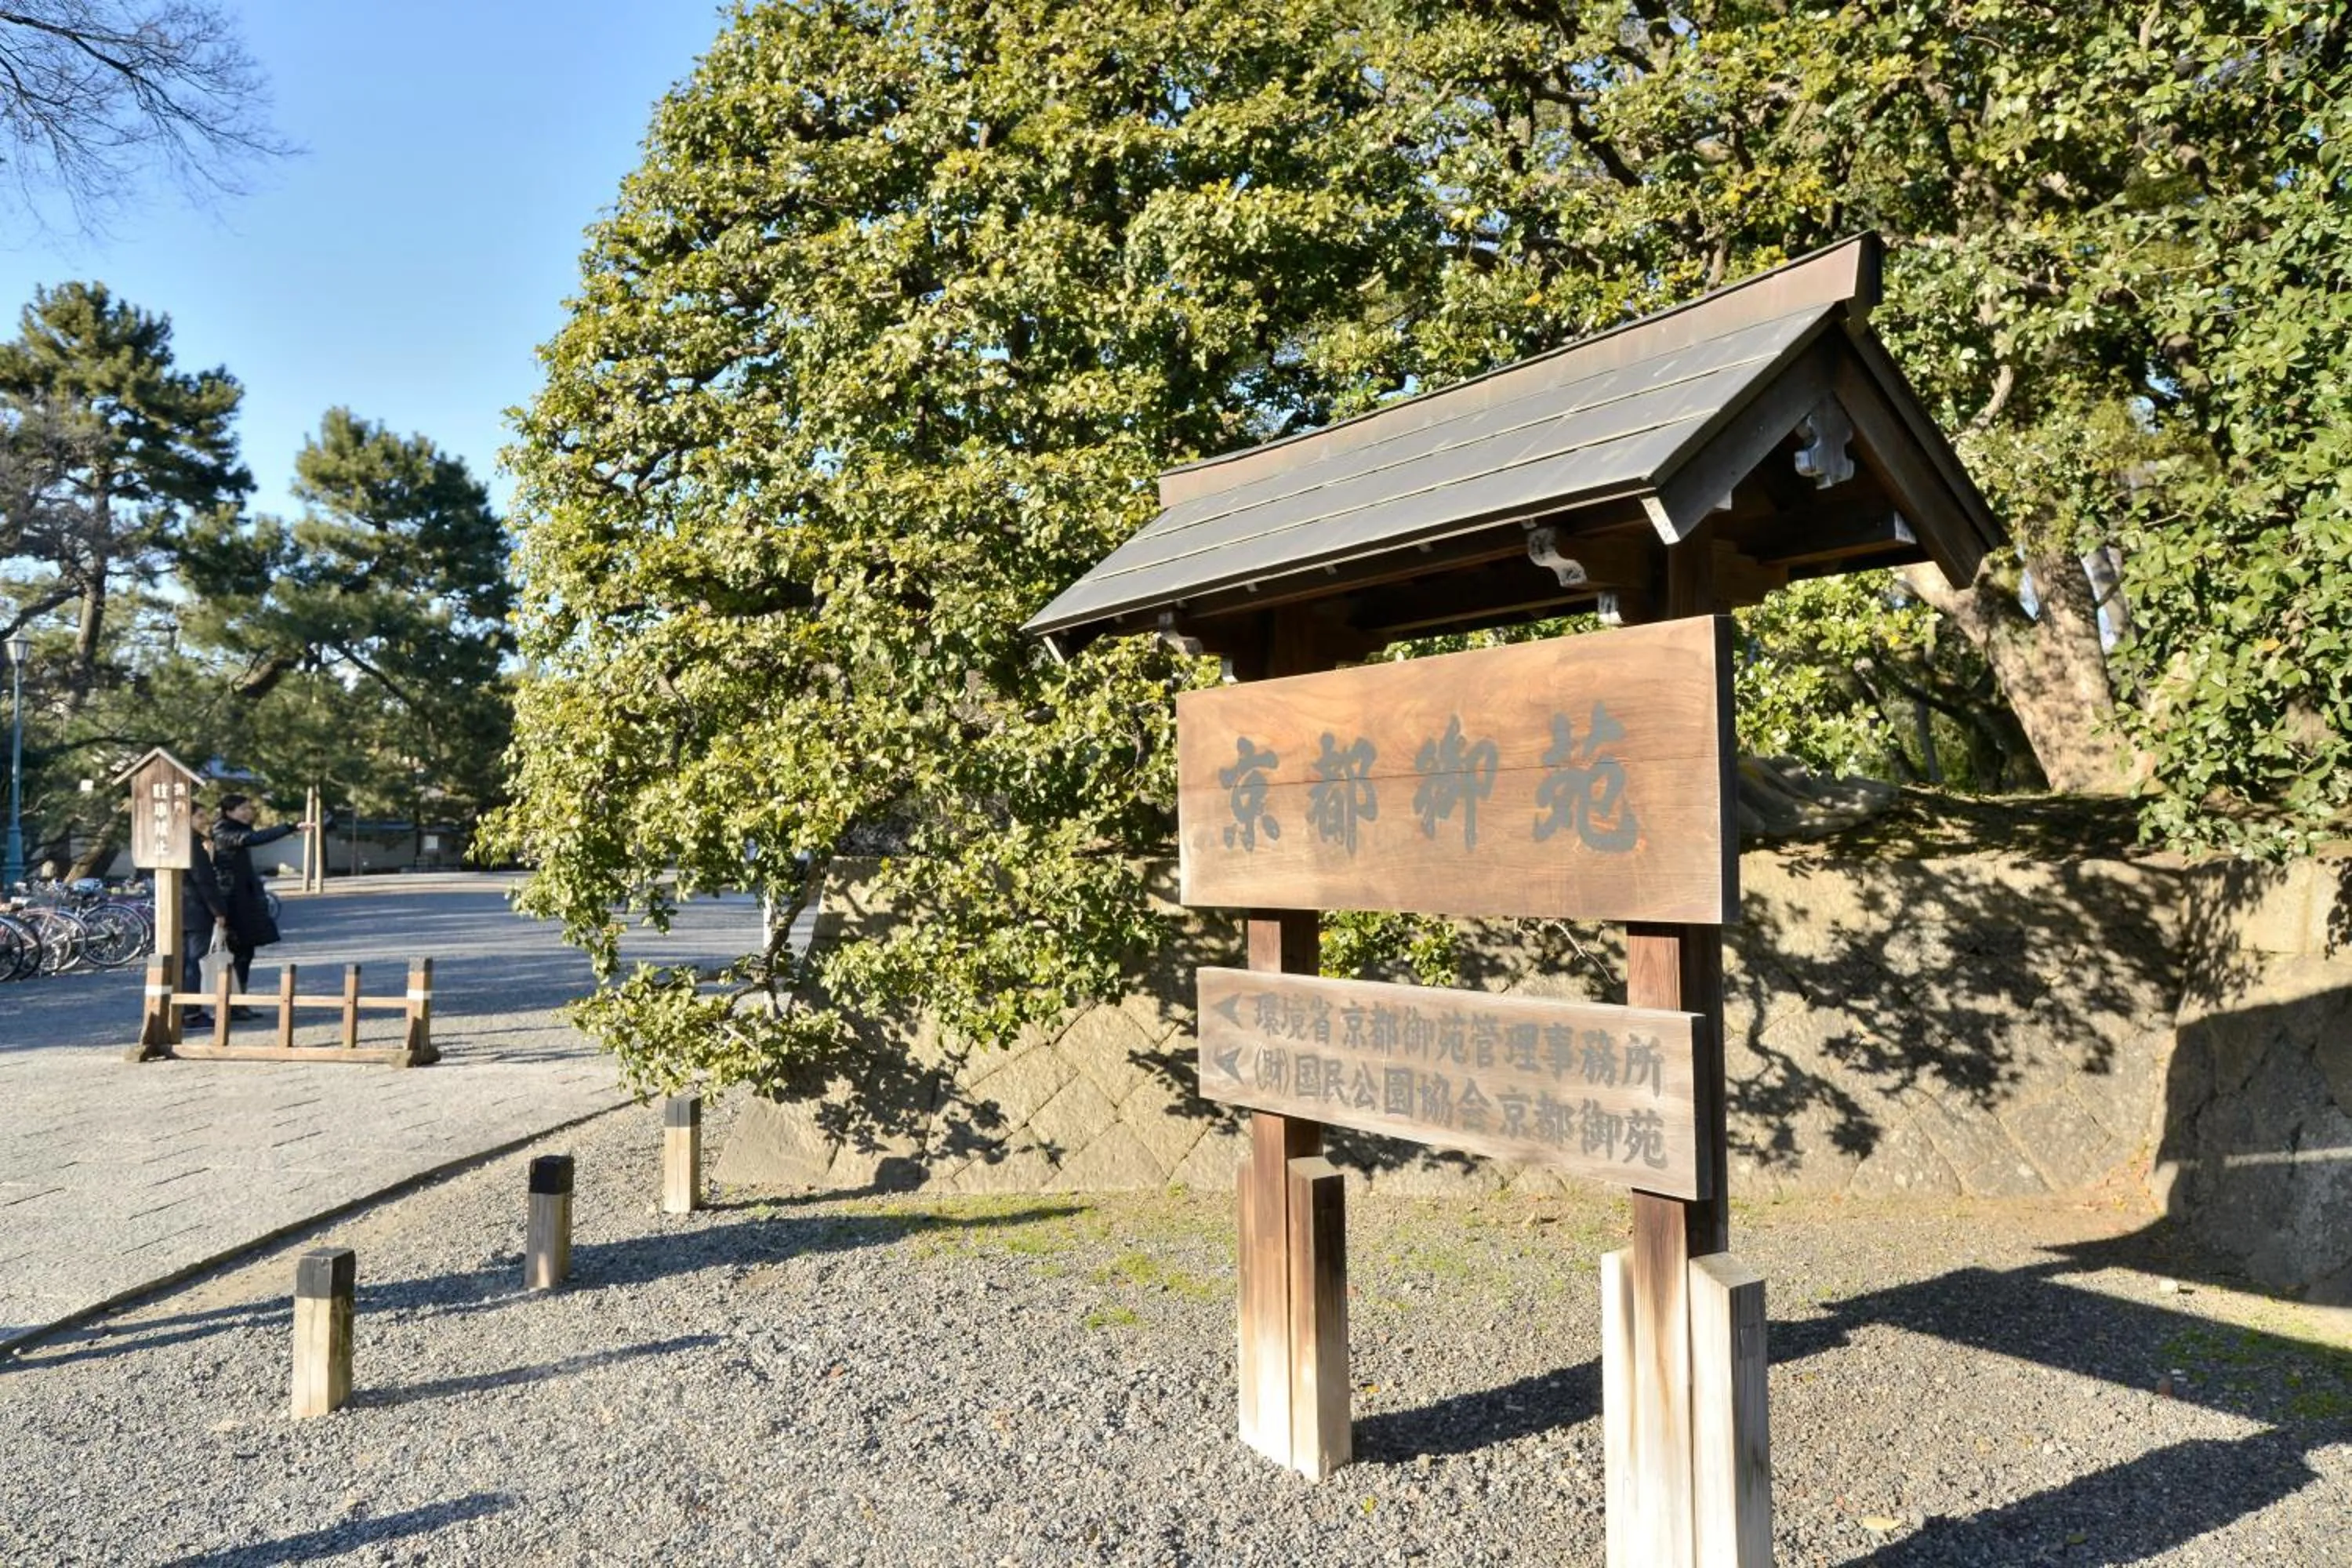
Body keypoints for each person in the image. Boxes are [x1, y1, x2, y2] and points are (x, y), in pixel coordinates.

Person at [209, 793, 315, 1020]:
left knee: (245, 953)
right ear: (229, 811)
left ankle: (239, 1003)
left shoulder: (233, 828)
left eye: (249, 808)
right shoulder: (223, 830)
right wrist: (290, 827)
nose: (248, 812)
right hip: (231, 903)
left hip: (243, 901)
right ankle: (231, 1004)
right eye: (242, 808)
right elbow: (253, 839)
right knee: (236, 954)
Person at [179, 804, 229, 1029]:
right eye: (199, 816)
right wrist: (218, 911)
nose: (204, 820)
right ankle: (192, 1012)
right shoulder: (193, 845)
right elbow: (204, 881)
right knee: (193, 963)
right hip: (197, 911)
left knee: (182, 962)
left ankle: (180, 1009)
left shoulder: (173, 844)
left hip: (177, 911)